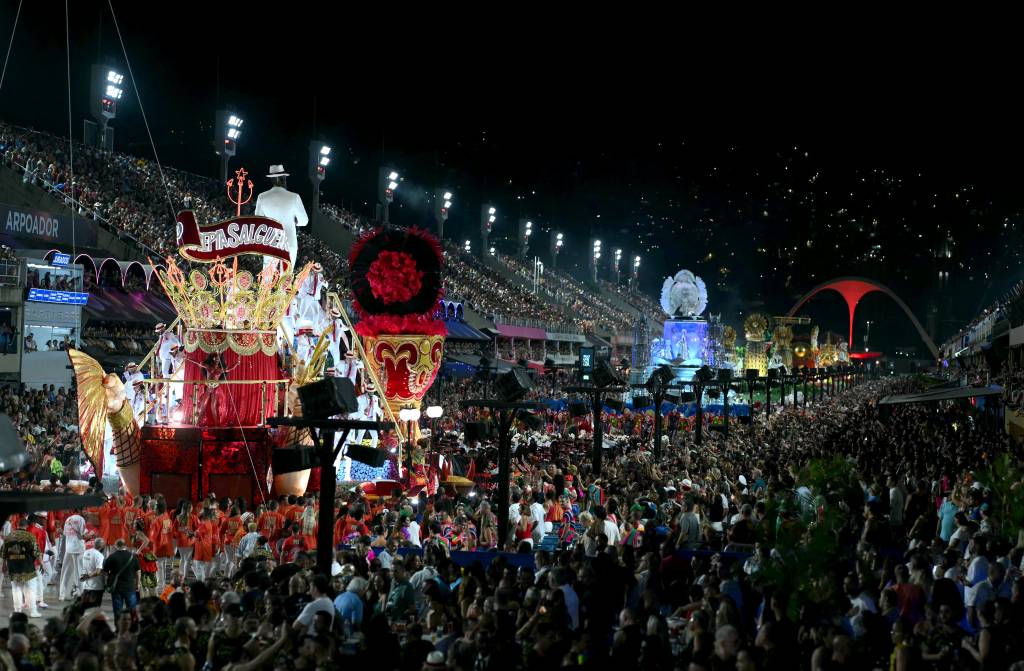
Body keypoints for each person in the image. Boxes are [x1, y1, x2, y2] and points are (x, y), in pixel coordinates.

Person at [254, 164, 308, 271]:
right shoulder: (294, 197)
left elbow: (258, 220)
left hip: (270, 242)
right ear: (283, 179)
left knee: (267, 276)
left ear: (272, 180)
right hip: (289, 242)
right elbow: (304, 221)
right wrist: (295, 221)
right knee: (286, 276)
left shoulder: (262, 197)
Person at [2, 518, 41, 617]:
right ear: (26, 526)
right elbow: (37, 552)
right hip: (28, 568)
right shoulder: (30, 536)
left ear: (17, 525)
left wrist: (4, 566)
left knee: (16, 589)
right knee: (31, 589)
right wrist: (42, 564)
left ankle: (17, 611)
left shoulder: (9, 537)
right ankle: (33, 611)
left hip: (13, 568)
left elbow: (3, 554)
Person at [103, 538, 140, 619]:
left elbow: (105, 573)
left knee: (117, 610)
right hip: (130, 586)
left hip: (116, 587)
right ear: (125, 546)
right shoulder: (133, 557)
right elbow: (137, 573)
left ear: (116, 546)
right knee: (132, 610)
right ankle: (132, 625)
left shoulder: (111, 557)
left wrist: (107, 583)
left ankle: (118, 625)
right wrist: (137, 584)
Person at [58, 508, 87, 601]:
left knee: (66, 571)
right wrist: (89, 534)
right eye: (84, 509)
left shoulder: (68, 519)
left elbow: (65, 533)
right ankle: (81, 593)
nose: (85, 511)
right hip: (78, 548)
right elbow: (82, 535)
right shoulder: (81, 519)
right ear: (79, 510)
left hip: (69, 548)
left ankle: (63, 594)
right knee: (80, 571)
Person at [79, 537, 106, 608]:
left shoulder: (86, 552)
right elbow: (98, 571)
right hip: (96, 587)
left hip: (85, 586)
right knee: (94, 609)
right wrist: (87, 576)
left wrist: (84, 577)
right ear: (102, 546)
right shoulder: (99, 555)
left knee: (84, 609)